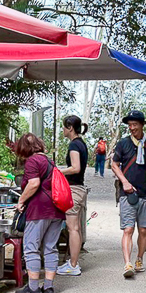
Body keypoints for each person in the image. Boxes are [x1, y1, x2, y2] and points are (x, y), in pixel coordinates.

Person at [110, 110, 146, 278]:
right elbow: (114, 165)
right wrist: (125, 182)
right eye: (130, 125)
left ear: (142, 125)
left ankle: (139, 259)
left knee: (143, 230)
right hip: (127, 194)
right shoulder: (123, 143)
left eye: (135, 125)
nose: (132, 128)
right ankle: (127, 263)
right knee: (128, 229)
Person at [11, 133, 65, 293]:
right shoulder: (50, 161)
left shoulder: (33, 161)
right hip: (56, 210)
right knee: (50, 248)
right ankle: (48, 287)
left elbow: (34, 184)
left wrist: (21, 201)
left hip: (39, 210)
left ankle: (33, 289)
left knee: (31, 247)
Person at [57, 116, 89, 277]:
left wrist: (57, 171)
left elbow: (75, 168)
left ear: (70, 127)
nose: (62, 130)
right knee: (75, 227)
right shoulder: (81, 143)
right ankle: (72, 262)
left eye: (64, 127)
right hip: (78, 189)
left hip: (74, 190)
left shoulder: (74, 145)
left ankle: (74, 265)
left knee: (73, 228)